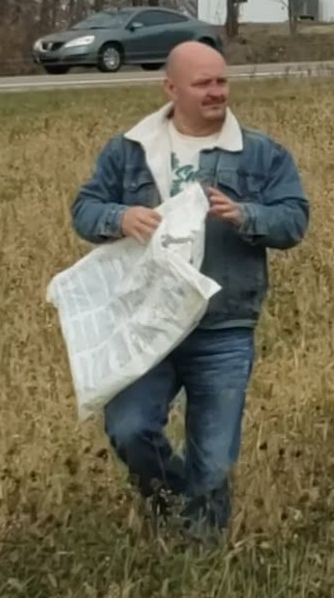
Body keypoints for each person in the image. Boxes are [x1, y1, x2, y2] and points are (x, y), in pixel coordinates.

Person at [69, 40, 308, 544]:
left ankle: (202, 557)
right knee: (130, 429)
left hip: (223, 325)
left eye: (222, 81)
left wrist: (247, 215)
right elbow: (85, 209)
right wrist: (119, 216)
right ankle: (175, 502)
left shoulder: (260, 153)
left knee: (215, 460)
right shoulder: (129, 149)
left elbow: (294, 220)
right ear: (170, 88)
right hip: (146, 324)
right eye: (203, 84)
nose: (216, 92)